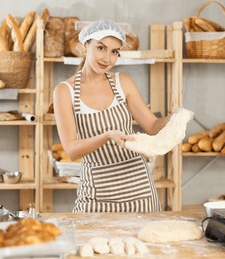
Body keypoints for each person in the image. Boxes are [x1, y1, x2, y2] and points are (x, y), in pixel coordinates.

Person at [53, 19, 172, 213]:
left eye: (115, 52)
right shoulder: (64, 91)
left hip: (139, 189)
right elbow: (72, 150)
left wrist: (176, 118)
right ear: (85, 46)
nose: (107, 59)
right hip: (96, 193)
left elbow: (152, 126)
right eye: (101, 48)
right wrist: (108, 135)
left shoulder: (122, 82)